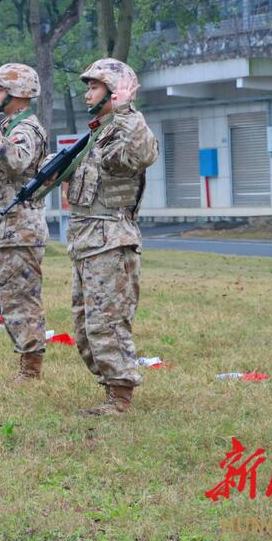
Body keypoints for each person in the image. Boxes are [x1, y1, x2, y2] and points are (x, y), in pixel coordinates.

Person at [62, 58, 159, 416]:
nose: (88, 95)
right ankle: (110, 390)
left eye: (94, 87)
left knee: (106, 322)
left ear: (114, 92)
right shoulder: (98, 133)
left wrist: (128, 111)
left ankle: (121, 398)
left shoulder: (126, 129)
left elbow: (142, 153)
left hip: (110, 241)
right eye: (88, 88)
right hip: (87, 243)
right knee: (85, 326)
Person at [0, 63, 49, 382]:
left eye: (1, 90)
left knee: (22, 299)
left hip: (20, 229)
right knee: (9, 299)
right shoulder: (9, 125)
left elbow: (16, 162)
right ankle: (26, 364)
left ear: (18, 94)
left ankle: (31, 370)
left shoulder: (26, 128)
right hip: (5, 229)